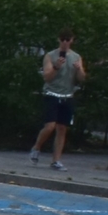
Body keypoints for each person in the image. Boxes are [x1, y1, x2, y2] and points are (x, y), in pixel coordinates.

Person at [30, 31, 85, 170]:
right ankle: (37, 146)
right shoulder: (50, 55)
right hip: (52, 94)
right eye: (63, 39)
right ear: (58, 40)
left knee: (62, 128)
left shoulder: (76, 57)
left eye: (68, 39)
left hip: (67, 95)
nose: (65, 42)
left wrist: (79, 70)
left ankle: (56, 161)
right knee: (50, 126)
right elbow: (47, 77)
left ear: (72, 40)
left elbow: (82, 78)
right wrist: (56, 67)